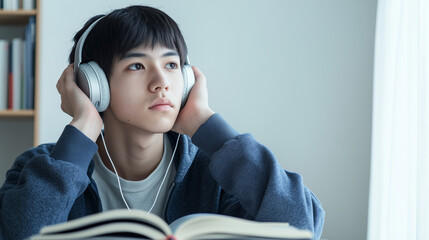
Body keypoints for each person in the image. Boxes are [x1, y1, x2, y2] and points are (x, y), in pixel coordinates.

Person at [0, 5, 325, 240]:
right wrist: (83, 124)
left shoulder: (219, 174)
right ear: (93, 85)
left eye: (171, 64)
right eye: (137, 66)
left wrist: (207, 127)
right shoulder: (42, 168)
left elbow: (303, 225)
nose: (161, 82)